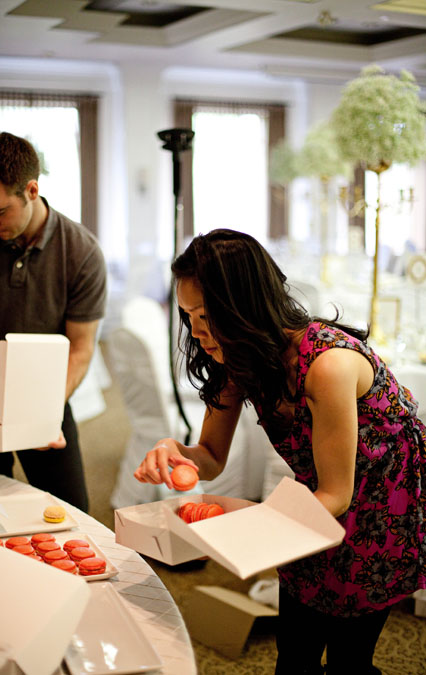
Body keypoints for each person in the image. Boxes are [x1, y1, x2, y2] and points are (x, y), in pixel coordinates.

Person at [134, 228, 426, 675]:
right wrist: (172, 449)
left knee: (350, 662)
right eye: (187, 315)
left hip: (383, 507)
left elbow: (338, 493)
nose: (196, 331)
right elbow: (211, 456)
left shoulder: (328, 364)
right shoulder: (236, 358)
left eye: (206, 315)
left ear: (244, 306)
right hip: (314, 501)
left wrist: (251, 532)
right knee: (295, 654)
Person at [0, 131, 107, 512]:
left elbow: (81, 350)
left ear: (31, 190)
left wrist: (36, 411)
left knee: (70, 515)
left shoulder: (82, 253)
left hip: (46, 397)